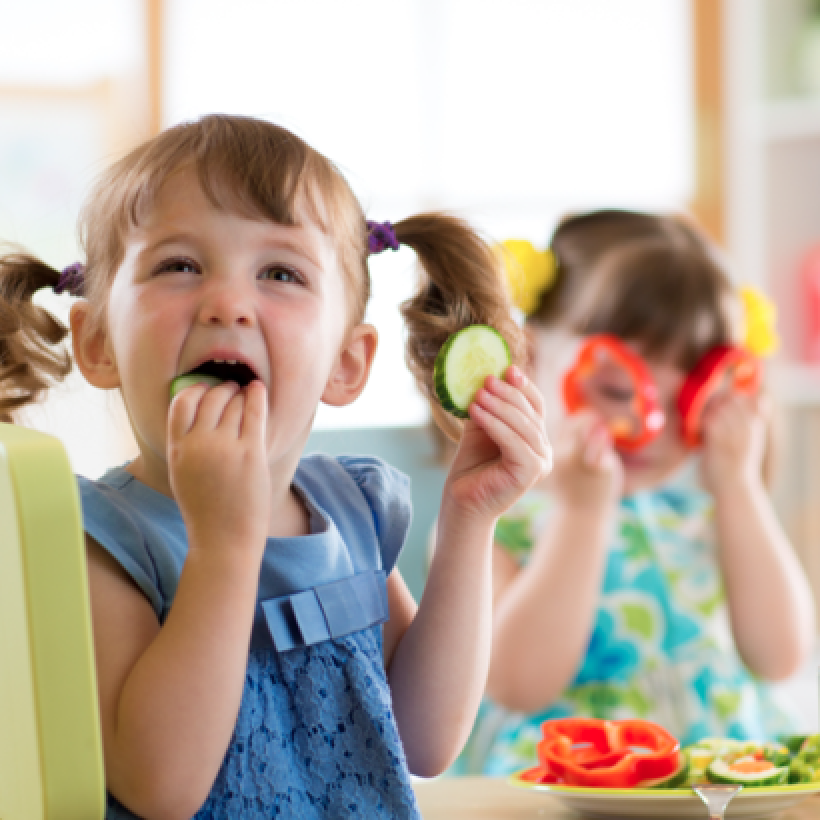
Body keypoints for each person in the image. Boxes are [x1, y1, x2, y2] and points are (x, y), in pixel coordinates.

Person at [0, 115, 551, 819]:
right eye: (179, 266)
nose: (228, 304)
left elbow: (425, 738)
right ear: (99, 342)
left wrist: (471, 519)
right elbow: (161, 788)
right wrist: (224, 544)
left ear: (346, 363)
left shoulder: (350, 511)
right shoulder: (99, 539)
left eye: (280, 273)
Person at [463, 211, 816, 775]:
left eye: (689, 401)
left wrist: (741, 489)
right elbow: (517, 684)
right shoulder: (496, 517)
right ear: (528, 356)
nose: (650, 427)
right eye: (615, 389)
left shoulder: (710, 513)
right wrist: (582, 513)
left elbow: (781, 658)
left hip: (717, 779)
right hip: (576, 782)